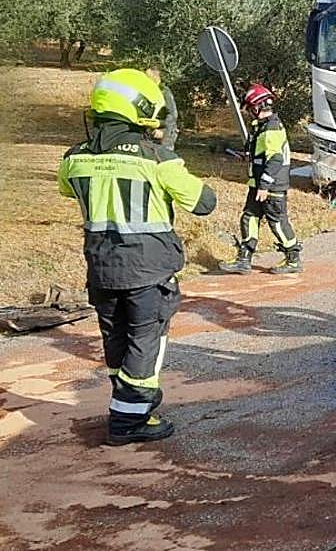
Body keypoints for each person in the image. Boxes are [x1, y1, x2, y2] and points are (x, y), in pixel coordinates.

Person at [59, 69, 216, 444]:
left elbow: (68, 190)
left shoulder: (74, 159)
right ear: (140, 110)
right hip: (148, 270)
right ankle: (129, 419)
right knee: (146, 340)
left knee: (114, 337)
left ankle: (123, 402)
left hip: (101, 268)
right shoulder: (156, 158)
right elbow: (204, 202)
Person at [219, 84, 302, 275]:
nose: (249, 113)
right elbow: (263, 154)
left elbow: (275, 159)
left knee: (277, 221)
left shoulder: (271, 128)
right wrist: (248, 156)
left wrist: (264, 186)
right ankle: (244, 259)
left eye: (250, 109)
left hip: (270, 186)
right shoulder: (262, 127)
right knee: (249, 217)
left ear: (258, 107)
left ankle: (293, 258)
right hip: (258, 185)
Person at [144, 67, 178, 151]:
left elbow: (172, 115)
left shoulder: (164, 92)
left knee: (164, 157)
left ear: (155, 77)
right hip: (150, 133)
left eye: (147, 76)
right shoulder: (148, 91)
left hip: (164, 134)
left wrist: (164, 131)